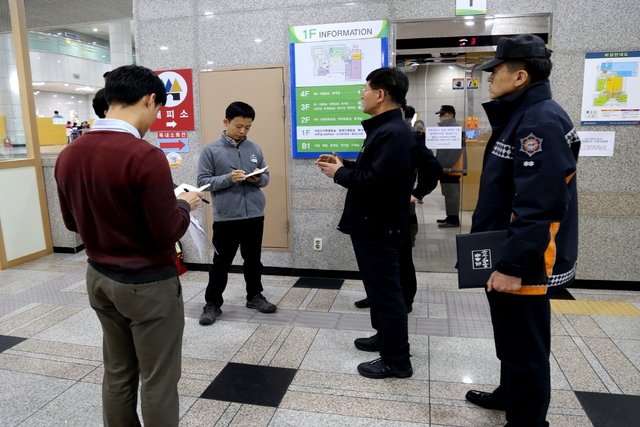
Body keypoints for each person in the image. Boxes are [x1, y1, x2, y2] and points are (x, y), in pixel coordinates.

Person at [55, 65, 203, 427]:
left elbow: (72, 223)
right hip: (149, 285)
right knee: (158, 378)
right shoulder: (144, 156)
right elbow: (166, 230)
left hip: (100, 278)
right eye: (158, 110)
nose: (154, 119)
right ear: (150, 99)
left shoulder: (69, 154)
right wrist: (184, 204)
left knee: (118, 370)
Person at [463, 34, 580, 427]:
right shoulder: (523, 115)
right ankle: (508, 394)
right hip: (508, 248)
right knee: (511, 337)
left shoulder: (539, 122)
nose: (489, 78)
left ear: (520, 76)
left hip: (525, 258)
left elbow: (541, 205)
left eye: (495, 70)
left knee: (526, 346)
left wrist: (513, 266)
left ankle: (527, 421)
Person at [316, 67, 415, 379]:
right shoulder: (384, 130)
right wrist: (346, 165)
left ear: (380, 94)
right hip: (375, 224)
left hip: (380, 226)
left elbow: (378, 183)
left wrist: (340, 175)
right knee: (379, 291)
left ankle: (397, 359)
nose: (362, 94)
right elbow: (378, 170)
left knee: (387, 294)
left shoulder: (393, 133)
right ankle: (385, 339)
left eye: (366, 89)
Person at [354, 103, 442, 312]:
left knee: (401, 256)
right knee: (381, 262)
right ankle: (377, 296)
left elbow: (433, 167)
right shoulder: (381, 132)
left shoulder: (403, 135)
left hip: (398, 206)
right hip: (378, 208)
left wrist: (417, 193)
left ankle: (405, 299)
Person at [197, 101, 276, 325]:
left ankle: (254, 296)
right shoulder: (211, 150)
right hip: (226, 217)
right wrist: (228, 179)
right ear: (226, 122)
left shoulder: (254, 148)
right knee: (221, 263)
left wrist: (259, 178)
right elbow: (202, 182)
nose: (243, 131)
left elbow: (266, 178)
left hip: (254, 215)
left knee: (253, 260)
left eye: (248, 127)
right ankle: (212, 303)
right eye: (239, 126)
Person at [434, 105, 465, 228]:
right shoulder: (448, 128)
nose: (440, 116)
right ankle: (450, 216)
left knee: (452, 195)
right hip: (445, 168)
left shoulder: (454, 129)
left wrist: (447, 165)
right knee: (448, 194)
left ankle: (454, 220)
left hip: (451, 169)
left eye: (443, 114)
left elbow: (455, 151)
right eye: (440, 114)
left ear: (451, 115)